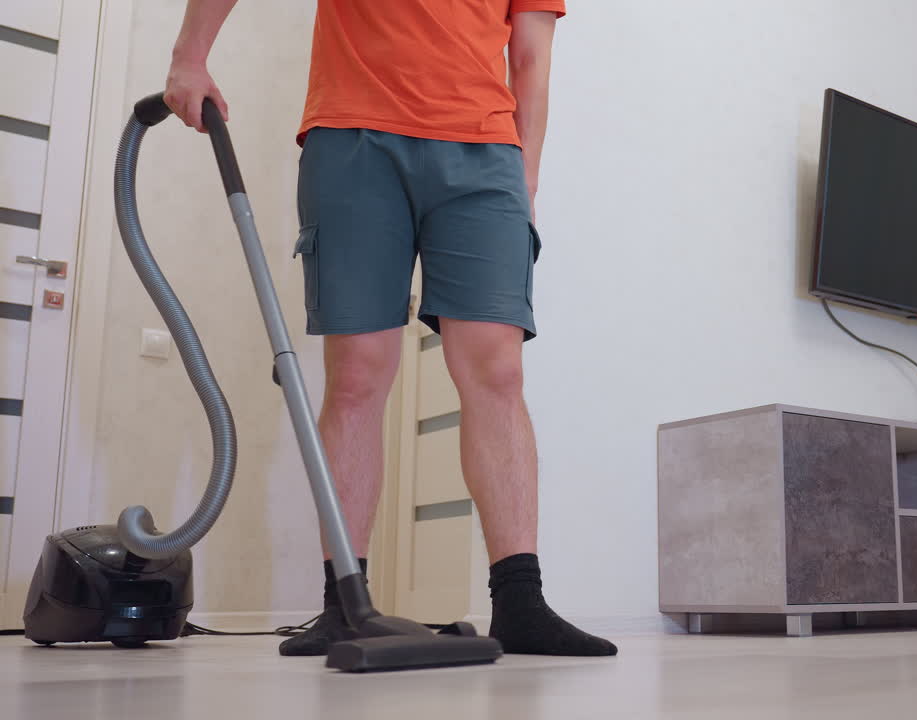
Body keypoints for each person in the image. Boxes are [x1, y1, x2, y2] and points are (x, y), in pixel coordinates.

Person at [163, 0, 616, 657]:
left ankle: (519, 601)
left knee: (498, 370)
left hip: (486, 151)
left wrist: (527, 177)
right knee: (357, 377)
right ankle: (343, 601)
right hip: (353, 138)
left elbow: (532, 54)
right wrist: (190, 55)